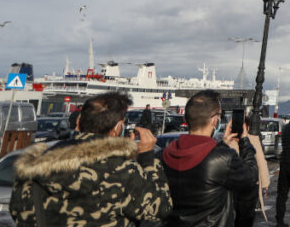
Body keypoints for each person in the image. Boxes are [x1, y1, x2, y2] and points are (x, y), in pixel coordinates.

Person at [10, 91, 172, 226]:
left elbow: (17, 211)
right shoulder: (121, 170)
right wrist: (147, 159)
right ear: (117, 128)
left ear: (78, 122)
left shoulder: (35, 164)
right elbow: (160, 210)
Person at [160, 91, 259, 227]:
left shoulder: (164, 154)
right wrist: (244, 141)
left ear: (185, 119)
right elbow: (251, 178)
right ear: (214, 120)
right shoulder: (223, 158)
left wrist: (222, 145)